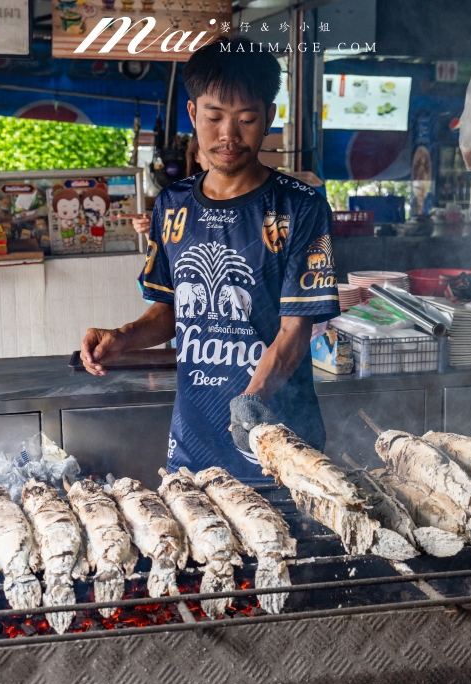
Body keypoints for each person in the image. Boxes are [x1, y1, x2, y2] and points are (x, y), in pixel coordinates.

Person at [80, 39, 340, 481]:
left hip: (279, 448)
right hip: (194, 446)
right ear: (193, 113)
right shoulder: (173, 204)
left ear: (269, 118)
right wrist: (121, 337)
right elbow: (169, 311)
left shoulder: (300, 207)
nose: (228, 136)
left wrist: (251, 404)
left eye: (247, 119)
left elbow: (296, 330)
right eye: (215, 117)